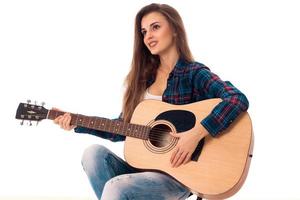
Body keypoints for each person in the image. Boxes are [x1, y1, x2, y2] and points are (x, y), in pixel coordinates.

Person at [54, 3, 249, 200]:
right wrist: (76, 122)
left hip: (179, 174)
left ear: (174, 29)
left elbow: (237, 99)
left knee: (116, 188)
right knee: (92, 154)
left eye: (155, 27)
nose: (148, 36)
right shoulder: (142, 79)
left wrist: (195, 134)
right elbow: (123, 127)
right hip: (143, 170)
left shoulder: (193, 73)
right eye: (144, 31)